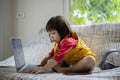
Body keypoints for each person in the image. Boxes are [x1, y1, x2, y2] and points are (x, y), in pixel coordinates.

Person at [29, 15, 96, 74]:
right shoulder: (57, 44)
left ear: (62, 31)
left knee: (90, 60)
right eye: (49, 34)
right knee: (53, 63)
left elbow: (57, 58)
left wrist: (43, 69)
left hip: (84, 60)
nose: (51, 36)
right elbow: (50, 56)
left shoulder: (69, 41)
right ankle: (77, 68)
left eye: (53, 33)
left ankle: (68, 70)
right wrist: (41, 65)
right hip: (73, 63)